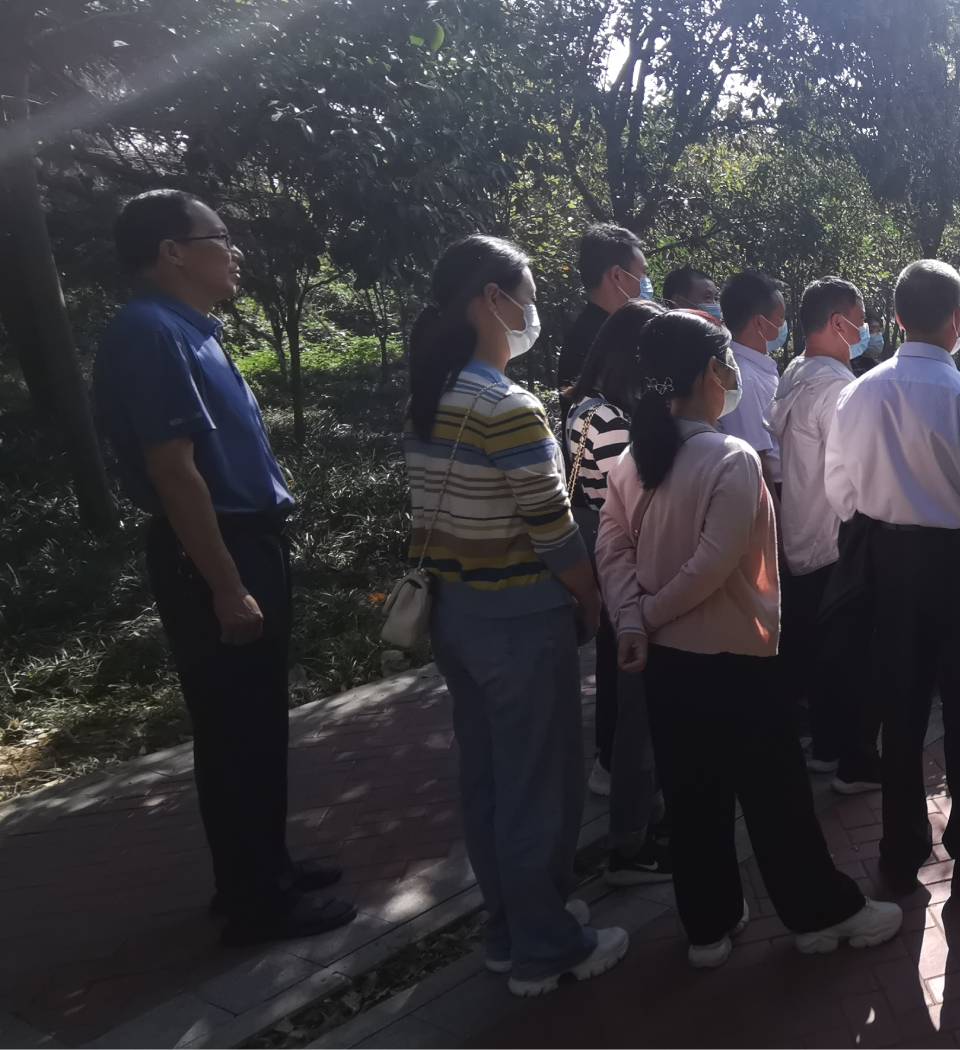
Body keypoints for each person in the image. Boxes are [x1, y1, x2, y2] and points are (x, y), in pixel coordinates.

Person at [594, 309, 903, 968]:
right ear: (713, 370)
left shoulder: (631, 461)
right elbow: (714, 563)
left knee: (693, 798)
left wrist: (634, 619)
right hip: (737, 661)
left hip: (667, 667)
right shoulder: (728, 458)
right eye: (728, 361)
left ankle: (708, 927)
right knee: (776, 798)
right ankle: (820, 914)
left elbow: (611, 550)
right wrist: (646, 615)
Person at [93, 189, 356, 945]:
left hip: (245, 541)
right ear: (173, 252)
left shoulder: (188, 329)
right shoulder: (150, 333)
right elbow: (175, 472)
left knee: (255, 722)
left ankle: (264, 868)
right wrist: (227, 584)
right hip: (216, 550)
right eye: (220, 236)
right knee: (236, 728)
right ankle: (256, 903)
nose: (234, 250)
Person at [403, 235, 626, 996]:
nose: (533, 311)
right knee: (540, 784)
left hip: (457, 614)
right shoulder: (506, 405)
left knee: (492, 779)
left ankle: (508, 927)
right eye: (526, 295)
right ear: (491, 300)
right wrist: (590, 597)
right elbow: (554, 531)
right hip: (519, 619)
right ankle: (547, 947)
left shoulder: (433, 394)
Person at [823, 259, 960, 895]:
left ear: (897, 317)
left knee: (899, 711)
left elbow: (840, 492)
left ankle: (901, 848)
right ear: (958, 319)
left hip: (886, 568)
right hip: (958, 571)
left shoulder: (857, 394)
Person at [565, 300, 673, 884]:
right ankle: (632, 837)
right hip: (622, 560)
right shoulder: (610, 420)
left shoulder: (586, 407)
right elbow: (628, 509)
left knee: (623, 682)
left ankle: (631, 797)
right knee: (636, 701)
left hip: (606, 553)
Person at [769, 277, 882, 793]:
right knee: (850, 657)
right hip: (835, 539)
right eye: (860, 320)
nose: (865, 330)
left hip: (800, 533)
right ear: (838, 323)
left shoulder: (795, 372)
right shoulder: (839, 389)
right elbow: (854, 475)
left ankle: (826, 748)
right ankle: (853, 762)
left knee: (819, 651)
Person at [557, 224, 649, 414]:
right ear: (617, 275)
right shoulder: (606, 340)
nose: (646, 282)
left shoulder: (584, 331)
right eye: (643, 274)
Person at [718, 272, 787, 486]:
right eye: (780, 318)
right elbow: (757, 456)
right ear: (760, 323)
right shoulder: (744, 377)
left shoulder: (759, 367)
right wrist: (774, 504)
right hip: (770, 487)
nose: (783, 324)